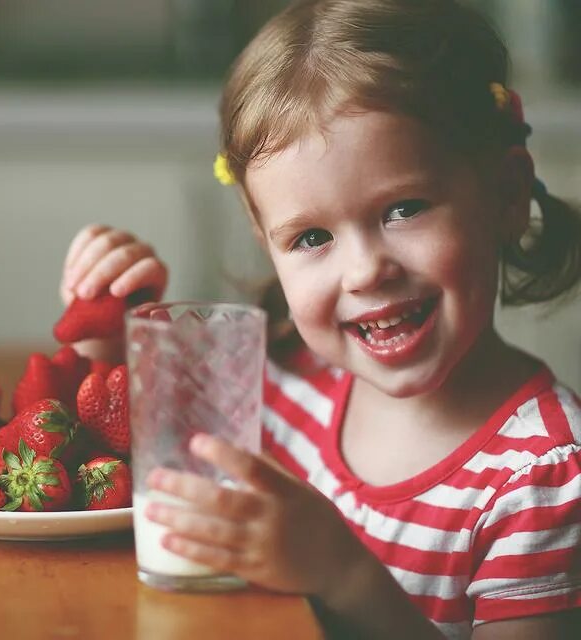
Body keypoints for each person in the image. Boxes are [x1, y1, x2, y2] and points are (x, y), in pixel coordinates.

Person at [59, 1, 581, 638]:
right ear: (266, 244)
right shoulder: (278, 384)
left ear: (506, 195)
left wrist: (345, 575)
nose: (364, 271)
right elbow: (130, 471)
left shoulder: (543, 479)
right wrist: (110, 346)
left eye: (404, 208)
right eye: (310, 239)